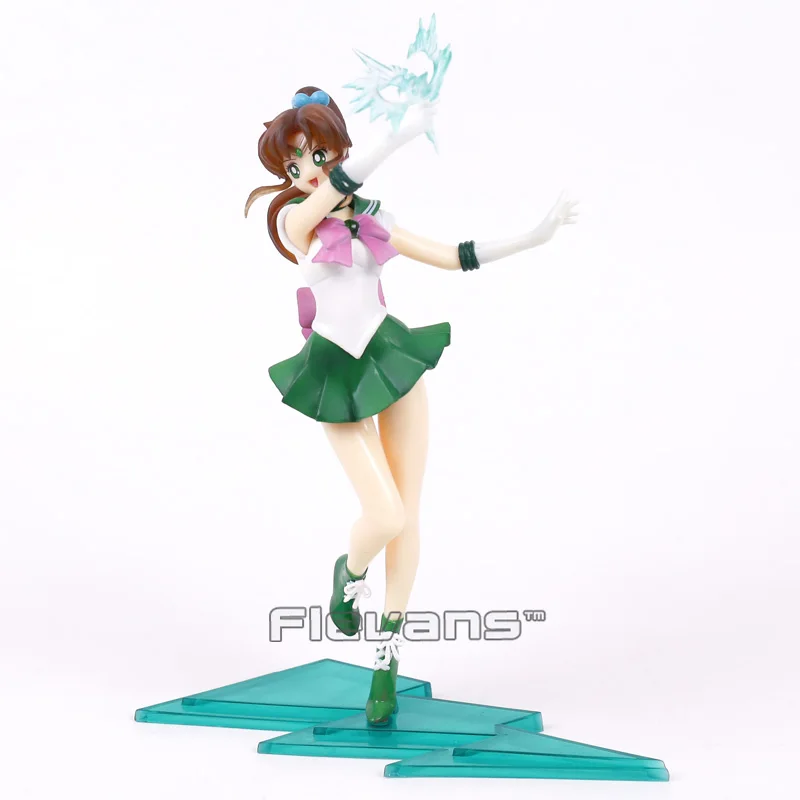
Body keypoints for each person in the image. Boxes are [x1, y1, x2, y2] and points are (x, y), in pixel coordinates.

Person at [245, 85, 578, 725]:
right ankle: (349, 573)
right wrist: (397, 137)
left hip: (390, 359)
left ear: (337, 148)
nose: (307, 169)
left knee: (409, 516)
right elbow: (338, 184)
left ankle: (386, 662)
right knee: (384, 514)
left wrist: (533, 237)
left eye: (317, 154)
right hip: (333, 375)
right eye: (294, 162)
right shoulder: (297, 222)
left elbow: (451, 257)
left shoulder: (376, 219)